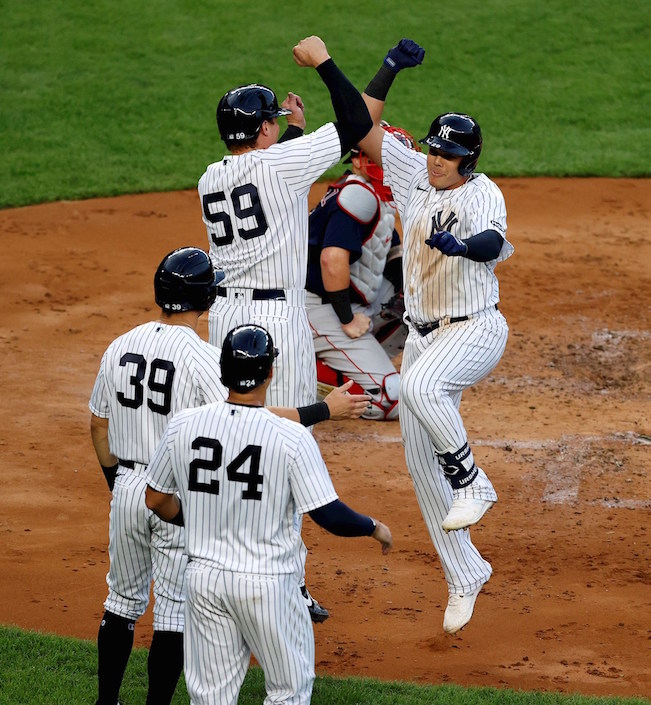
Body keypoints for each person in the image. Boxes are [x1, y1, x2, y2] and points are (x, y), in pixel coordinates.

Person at [88, 247, 370, 705]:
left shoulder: (119, 345)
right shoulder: (199, 356)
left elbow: (99, 424)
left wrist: (117, 486)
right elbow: (245, 408)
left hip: (129, 487)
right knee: (173, 612)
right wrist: (324, 409)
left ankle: (106, 702)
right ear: (207, 296)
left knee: (120, 602)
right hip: (175, 496)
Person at [197, 34, 379, 620]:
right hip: (277, 319)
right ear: (265, 132)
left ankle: (227, 556)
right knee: (287, 439)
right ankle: (287, 579)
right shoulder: (279, 162)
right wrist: (324, 62)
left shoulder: (210, 177)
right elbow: (356, 121)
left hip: (226, 317)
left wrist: (294, 134)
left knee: (236, 431)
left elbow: (274, 189)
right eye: (275, 122)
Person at [145, 324, 393, 705]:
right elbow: (328, 515)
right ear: (270, 373)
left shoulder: (183, 426)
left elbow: (156, 499)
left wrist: (192, 519)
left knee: (210, 697)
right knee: (288, 693)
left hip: (203, 580)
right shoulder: (291, 437)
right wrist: (373, 527)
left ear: (223, 371)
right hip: (269, 586)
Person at [357, 40, 514, 633]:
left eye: (447, 155)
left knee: (418, 386)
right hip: (422, 334)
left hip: (474, 328)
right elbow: (360, 123)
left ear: (468, 159)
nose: (434, 160)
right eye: (432, 149)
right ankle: (465, 571)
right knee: (421, 467)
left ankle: (474, 481)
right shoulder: (412, 174)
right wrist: (389, 67)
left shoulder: (482, 193)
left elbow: (494, 244)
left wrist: (461, 246)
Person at [306, 122, 419, 420]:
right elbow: (332, 260)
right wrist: (346, 318)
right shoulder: (358, 196)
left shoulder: (369, 192)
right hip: (319, 307)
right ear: (357, 159)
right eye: (379, 159)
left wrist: (412, 295)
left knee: (420, 307)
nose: (389, 167)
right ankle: (320, 377)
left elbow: (388, 251)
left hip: (337, 298)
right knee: (391, 398)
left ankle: (351, 360)